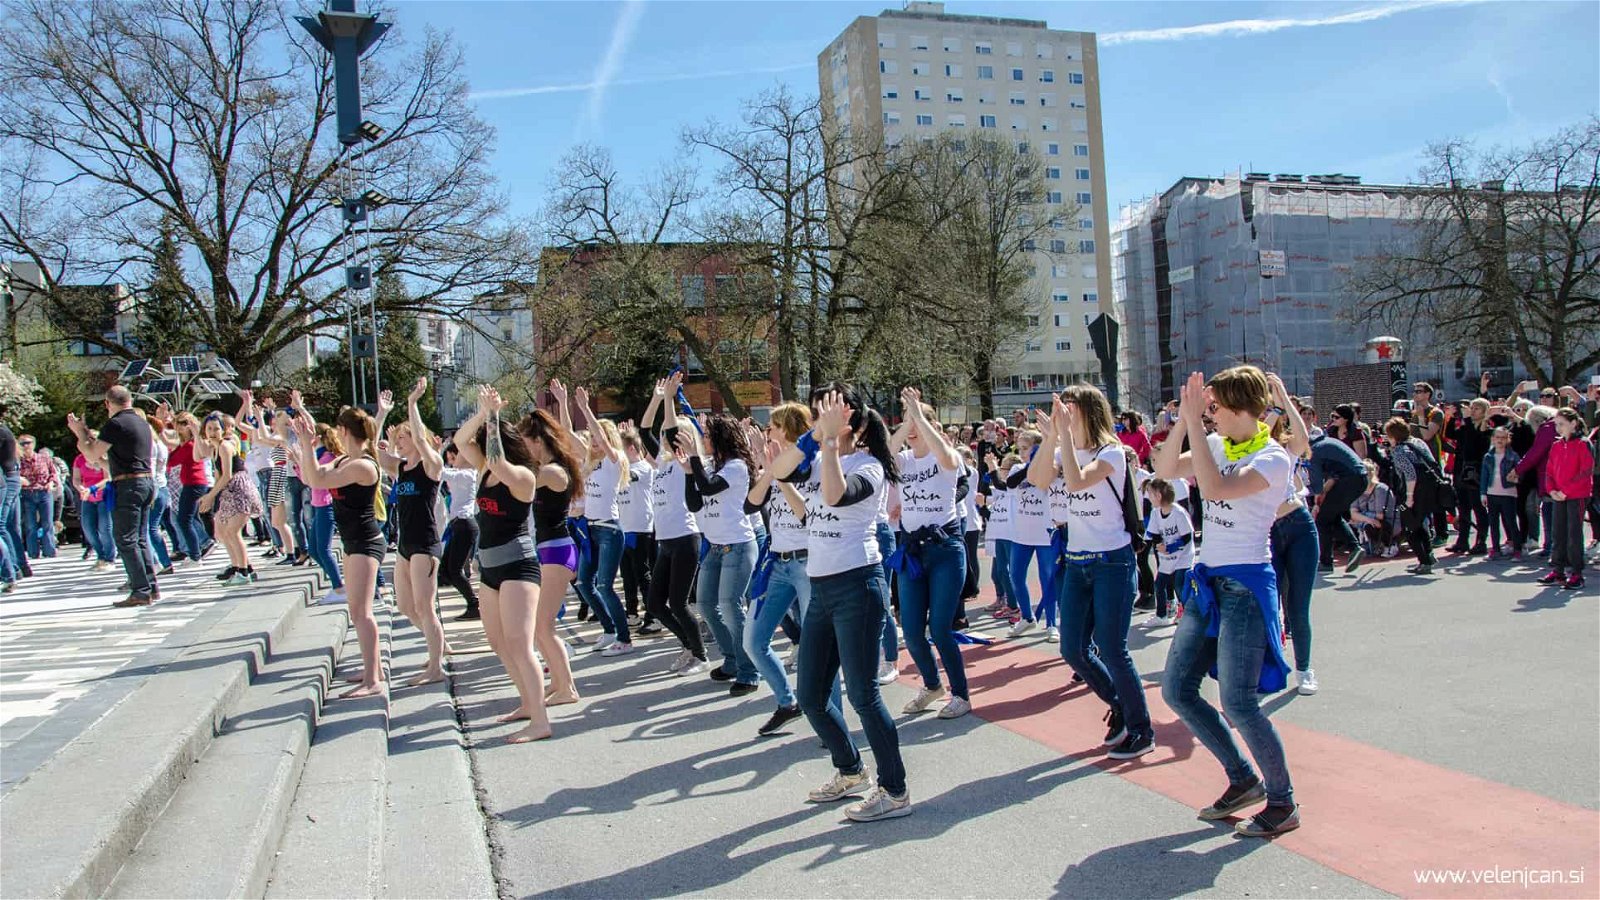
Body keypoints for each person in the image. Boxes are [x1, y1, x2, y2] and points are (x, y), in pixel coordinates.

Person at [1155, 366, 1299, 837]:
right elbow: (1163, 470)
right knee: (1177, 690)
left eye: (1215, 407)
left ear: (1239, 407)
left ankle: (1282, 802)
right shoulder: (1216, 444)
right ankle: (1242, 780)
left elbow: (1215, 489)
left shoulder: (1273, 457)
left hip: (1245, 588)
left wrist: (1196, 427)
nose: (1210, 414)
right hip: (1208, 585)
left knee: (1238, 703)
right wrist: (1184, 419)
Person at [767, 384, 909, 823]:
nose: (821, 418)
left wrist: (828, 443)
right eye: (817, 412)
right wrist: (815, 438)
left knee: (863, 695)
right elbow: (778, 471)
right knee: (810, 696)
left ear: (856, 422)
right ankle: (850, 770)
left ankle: (895, 790)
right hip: (822, 588)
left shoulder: (869, 466)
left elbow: (833, 495)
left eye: (831, 411)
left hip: (858, 586)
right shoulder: (815, 456)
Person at [1034, 384, 1154, 760]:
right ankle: (1119, 704)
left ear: (1087, 410)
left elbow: (1076, 481)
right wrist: (1052, 438)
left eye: (1069, 408)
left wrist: (1063, 439)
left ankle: (1141, 729)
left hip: (1112, 562)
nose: (1064, 414)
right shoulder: (1064, 448)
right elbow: (1038, 480)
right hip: (1077, 561)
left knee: (1113, 649)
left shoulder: (1112, 452)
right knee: (1072, 648)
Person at [289, 393, 385, 699]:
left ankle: (372, 679)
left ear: (343, 431)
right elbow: (313, 477)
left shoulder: (363, 466)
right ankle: (373, 668)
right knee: (357, 611)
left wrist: (306, 446)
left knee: (362, 612)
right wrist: (305, 444)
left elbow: (318, 480)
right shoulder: (345, 460)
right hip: (353, 541)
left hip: (366, 542)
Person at [888, 387, 970, 720]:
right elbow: (885, 453)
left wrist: (920, 417)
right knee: (910, 630)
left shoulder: (946, 457)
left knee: (939, 628)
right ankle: (932, 684)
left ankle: (961, 694)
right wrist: (909, 420)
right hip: (912, 551)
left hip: (945, 549)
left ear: (932, 426)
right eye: (906, 421)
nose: (911, 428)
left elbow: (948, 457)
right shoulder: (903, 460)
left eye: (917, 422)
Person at [743, 401, 813, 735]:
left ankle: (831, 723)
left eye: (772, 426)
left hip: (809, 562)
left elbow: (807, 515)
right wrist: (768, 468)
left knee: (817, 648)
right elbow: (750, 504)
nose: (767, 431)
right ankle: (788, 702)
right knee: (754, 641)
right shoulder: (774, 465)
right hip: (778, 563)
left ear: (788, 429)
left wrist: (780, 474)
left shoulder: (811, 464)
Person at [380, 377, 450, 685]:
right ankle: (439, 644)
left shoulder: (431, 466)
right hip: (404, 545)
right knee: (406, 606)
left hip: (425, 543)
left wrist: (412, 404)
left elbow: (422, 441)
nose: (399, 443)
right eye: (397, 439)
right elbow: (372, 452)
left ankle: (435, 668)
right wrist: (381, 415)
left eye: (403, 438)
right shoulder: (400, 468)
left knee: (424, 606)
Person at [640, 375, 710, 676]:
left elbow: (669, 428)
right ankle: (688, 646)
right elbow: (644, 430)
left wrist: (670, 399)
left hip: (685, 538)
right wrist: (657, 398)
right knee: (655, 604)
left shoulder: (687, 462)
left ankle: (701, 655)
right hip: (666, 541)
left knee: (678, 603)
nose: (665, 438)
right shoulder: (663, 461)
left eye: (671, 435)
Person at [66, 386, 159, 607]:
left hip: (128, 486)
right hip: (145, 482)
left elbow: (90, 454)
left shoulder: (116, 424)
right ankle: (150, 587)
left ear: (108, 403)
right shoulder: (141, 423)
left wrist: (79, 432)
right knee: (139, 538)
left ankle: (141, 591)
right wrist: (86, 433)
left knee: (126, 539)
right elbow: (108, 461)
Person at [569, 387, 634, 657]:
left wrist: (586, 409)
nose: (594, 442)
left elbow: (602, 440)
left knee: (605, 585)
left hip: (609, 530)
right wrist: (562, 402)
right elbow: (568, 435)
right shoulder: (590, 463)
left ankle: (624, 639)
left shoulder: (613, 461)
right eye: (593, 438)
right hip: (591, 529)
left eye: (599, 438)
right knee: (584, 583)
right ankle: (609, 630)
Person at [196, 412, 261, 586]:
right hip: (228, 491)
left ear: (223, 430)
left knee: (233, 531)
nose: (213, 432)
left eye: (216, 429)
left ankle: (243, 572)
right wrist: (210, 497)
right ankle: (243, 566)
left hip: (239, 490)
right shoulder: (215, 449)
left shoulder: (225, 446)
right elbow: (216, 473)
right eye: (209, 429)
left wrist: (210, 496)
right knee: (222, 532)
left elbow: (227, 475)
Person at [1538, 408, 1592, 590]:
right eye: (1556, 424)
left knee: (1573, 534)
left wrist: (1566, 491)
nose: (1558, 428)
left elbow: (1585, 471)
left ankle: (1577, 573)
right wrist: (1552, 490)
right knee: (1557, 532)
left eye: (1562, 424)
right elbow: (1549, 471)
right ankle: (1558, 570)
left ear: (1573, 423)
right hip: (1559, 495)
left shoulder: (1583, 444)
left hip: (1577, 495)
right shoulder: (1556, 445)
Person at [1384, 417, 1443, 575]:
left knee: (1409, 527)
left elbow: (1410, 475)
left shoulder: (1399, 451)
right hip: (1429, 490)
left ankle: (1424, 561)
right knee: (1420, 524)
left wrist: (1409, 498)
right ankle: (1428, 555)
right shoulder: (1418, 442)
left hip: (1413, 492)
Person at [615, 424, 657, 633]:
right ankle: (632, 613)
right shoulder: (621, 469)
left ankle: (653, 616)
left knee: (643, 575)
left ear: (631, 448)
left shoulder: (643, 468)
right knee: (627, 576)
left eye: (620, 448)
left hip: (640, 529)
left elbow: (628, 476)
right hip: (624, 529)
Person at [1141, 477, 1192, 627]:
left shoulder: (1178, 513)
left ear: (1158, 495)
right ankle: (1161, 615)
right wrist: (1159, 545)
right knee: (1159, 584)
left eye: (1150, 494)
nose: (1148, 498)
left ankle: (1187, 614)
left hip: (1182, 556)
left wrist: (1170, 548)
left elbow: (1187, 537)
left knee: (1179, 585)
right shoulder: (1155, 513)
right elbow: (1154, 533)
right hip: (1167, 557)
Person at [438, 442, 481, 620]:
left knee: (454, 571)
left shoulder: (467, 474)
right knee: (446, 570)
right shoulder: (460, 473)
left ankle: (474, 605)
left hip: (465, 525)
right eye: (449, 459)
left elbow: (439, 472)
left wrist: (431, 451)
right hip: (458, 525)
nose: (452, 462)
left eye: (454, 457)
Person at [305, 424, 346, 604]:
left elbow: (314, 479)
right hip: (318, 505)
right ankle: (338, 583)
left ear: (318, 437)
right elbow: (307, 479)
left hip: (326, 505)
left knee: (323, 549)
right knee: (313, 550)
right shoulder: (319, 455)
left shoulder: (327, 457)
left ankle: (339, 588)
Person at [1410, 382, 1450, 545]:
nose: (1415, 394)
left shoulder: (1435, 413)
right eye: (1414, 391)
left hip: (1430, 461)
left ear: (1427, 394)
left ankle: (1442, 533)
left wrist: (1420, 416)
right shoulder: (1413, 413)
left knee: (1435, 499)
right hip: (1414, 460)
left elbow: (1427, 435)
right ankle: (1425, 531)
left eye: (1419, 391)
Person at [1480, 427, 1523, 560]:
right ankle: (1495, 549)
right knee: (1493, 523)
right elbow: (1484, 476)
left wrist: (1516, 478)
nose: (1500, 440)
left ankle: (1517, 549)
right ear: (1492, 439)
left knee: (1511, 522)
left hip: (1508, 493)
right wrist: (1483, 493)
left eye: (1503, 438)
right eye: (1497, 437)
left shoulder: (1513, 456)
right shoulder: (1488, 457)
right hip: (1492, 493)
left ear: (1507, 439)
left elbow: (1520, 472)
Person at [18, 435, 58, 560]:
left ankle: (49, 551)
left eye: (28, 443)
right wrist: (20, 479)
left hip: (44, 492)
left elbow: (53, 473)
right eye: (22, 443)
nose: (25, 446)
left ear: (34, 444)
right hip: (26, 493)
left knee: (47, 523)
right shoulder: (17, 461)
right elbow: (11, 475)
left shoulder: (44, 458)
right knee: (30, 525)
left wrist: (51, 483)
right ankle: (33, 552)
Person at [0, 406, 26, 586]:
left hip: (7, 479)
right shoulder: (4, 431)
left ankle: (12, 570)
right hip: (8, 478)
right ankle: (17, 568)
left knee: (3, 526)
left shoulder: (2, 432)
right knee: (8, 525)